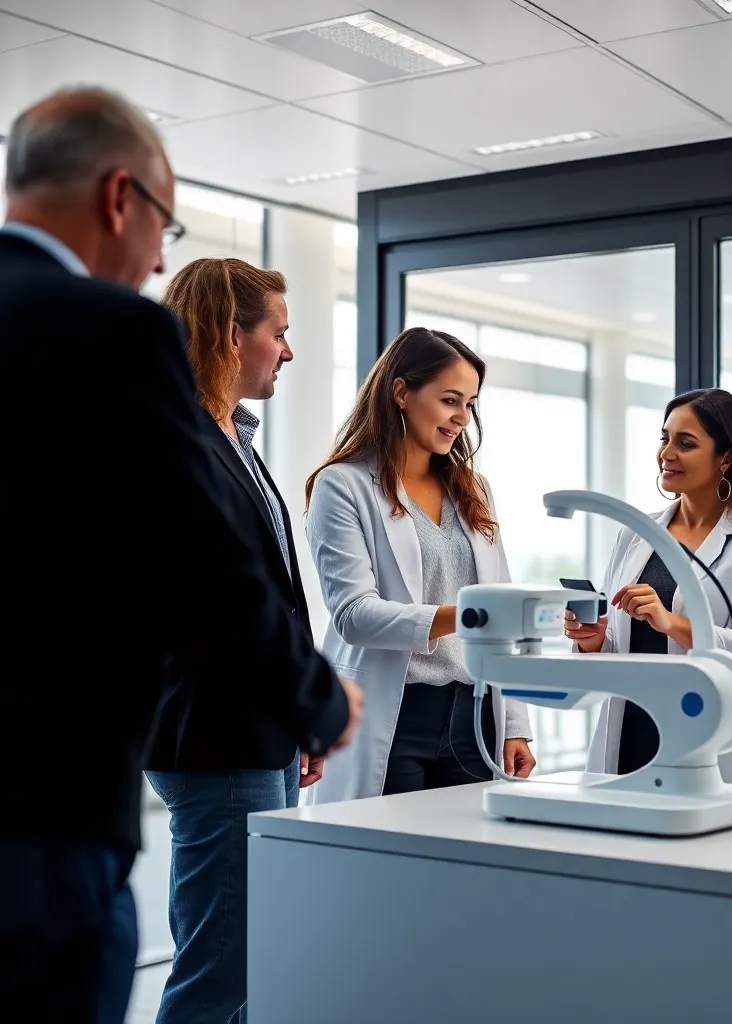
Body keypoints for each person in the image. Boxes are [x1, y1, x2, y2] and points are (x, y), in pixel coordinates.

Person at [0, 88, 359, 1022]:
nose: (159, 258)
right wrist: (317, 701)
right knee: (214, 966)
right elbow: (204, 568)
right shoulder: (110, 331)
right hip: (54, 794)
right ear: (119, 196)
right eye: (163, 224)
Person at [144, 259, 358, 1023]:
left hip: (251, 728)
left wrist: (294, 716)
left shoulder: (232, 439)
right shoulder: (181, 441)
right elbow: (217, 604)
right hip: (219, 731)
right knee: (223, 966)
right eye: (279, 333)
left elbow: (269, 596)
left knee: (245, 960)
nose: (288, 351)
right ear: (232, 337)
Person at [303, 327, 536, 803]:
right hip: (396, 714)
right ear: (401, 392)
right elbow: (354, 615)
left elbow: (505, 612)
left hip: (474, 716)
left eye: (470, 404)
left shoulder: (474, 489)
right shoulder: (343, 485)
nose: (462, 418)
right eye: (450, 400)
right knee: (387, 849)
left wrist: (515, 725)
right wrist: (471, 616)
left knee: (470, 848)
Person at [568, 389, 732, 782]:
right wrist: (593, 639)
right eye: (665, 438)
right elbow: (618, 649)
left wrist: (671, 622)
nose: (666, 453)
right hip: (630, 733)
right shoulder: (636, 532)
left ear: (726, 458)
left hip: (708, 736)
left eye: (685, 443)